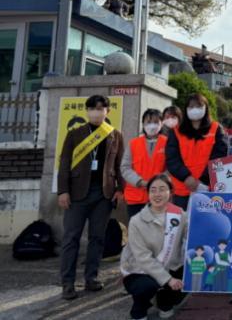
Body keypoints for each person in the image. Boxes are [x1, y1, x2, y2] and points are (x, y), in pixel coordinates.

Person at [57, 94, 124, 300]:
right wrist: (63, 191)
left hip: (103, 194)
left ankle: (91, 278)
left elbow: (119, 165)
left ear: (107, 111)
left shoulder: (115, 135)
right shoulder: (75, 134)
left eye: (100, 109)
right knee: (71, 238)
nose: (96, 112)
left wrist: (120, 189)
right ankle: (67, 283)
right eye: (92, 108)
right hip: (77, 193)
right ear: (87, 111)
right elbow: (64, 163)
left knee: (97, 238)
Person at [121, 175, 187, 320]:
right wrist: (168, 280)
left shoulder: (180, 215)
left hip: (169, 266)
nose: (157, 194)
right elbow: (143, 258)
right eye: (153, 190)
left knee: (194, 274)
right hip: (139, 270)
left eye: (162, 189)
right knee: (146, 287)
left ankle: (165, 302)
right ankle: (139, 309)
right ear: (148, 193)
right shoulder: (136, 221)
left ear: (171, 192)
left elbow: (194, 235)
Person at [165, 94, 228, 210]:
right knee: (181, 221)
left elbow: (219, 156)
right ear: (186, 109)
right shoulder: (176, 131)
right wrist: (186, 177)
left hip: (206, 188)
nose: (194, 109)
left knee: (206, 221)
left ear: (206, 108)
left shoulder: (216, 129)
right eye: (191, 106)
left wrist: (202, 180)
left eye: (198, 106)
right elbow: (172, 158)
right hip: (182, 189)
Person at [121, 108, 167, 219]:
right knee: (137, 228)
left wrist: (158, 182)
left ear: (161, 124)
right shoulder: (133, 143)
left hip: (159, 196)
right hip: (135, 197)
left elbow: (171, 167)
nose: (152, 125)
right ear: (143, 123)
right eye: (148, 122)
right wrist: (139, 181)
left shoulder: (168, 143)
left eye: (156, 122)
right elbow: (125, 167)